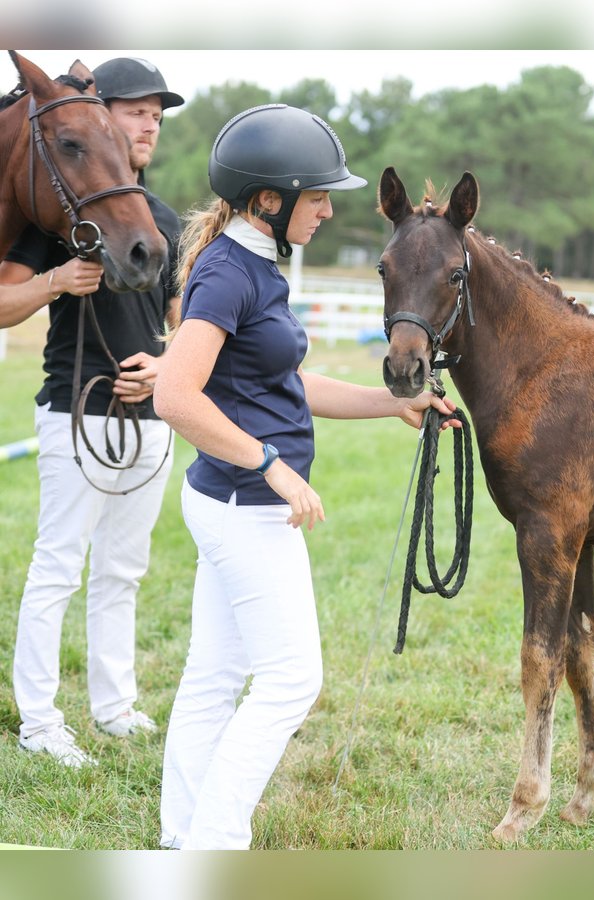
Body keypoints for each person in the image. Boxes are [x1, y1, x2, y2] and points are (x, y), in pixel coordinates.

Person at [154, 104, 458, 851]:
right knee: (292, 680)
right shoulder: (231, 272)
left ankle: (182, 840)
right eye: (317, 196)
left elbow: (289, 383)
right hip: (245, 504)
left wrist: (396, 403)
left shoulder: (253, 262)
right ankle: (215, 847)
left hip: (232, 501)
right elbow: (174, 395)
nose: (328, 209)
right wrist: (272, 467)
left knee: (215, 677)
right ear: (269, 199)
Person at [1, 57, 185, 767]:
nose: (147, 126)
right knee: (58, 567)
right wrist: (55, 281)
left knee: (123, 571)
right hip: (75, 413)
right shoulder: (58, 211)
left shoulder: (158, 220)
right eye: (136, 112)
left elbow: (183, 321)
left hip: (150, 423)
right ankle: (40, 722)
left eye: (156, 117)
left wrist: (168, 368)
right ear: (102, 118)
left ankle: (114, 706)